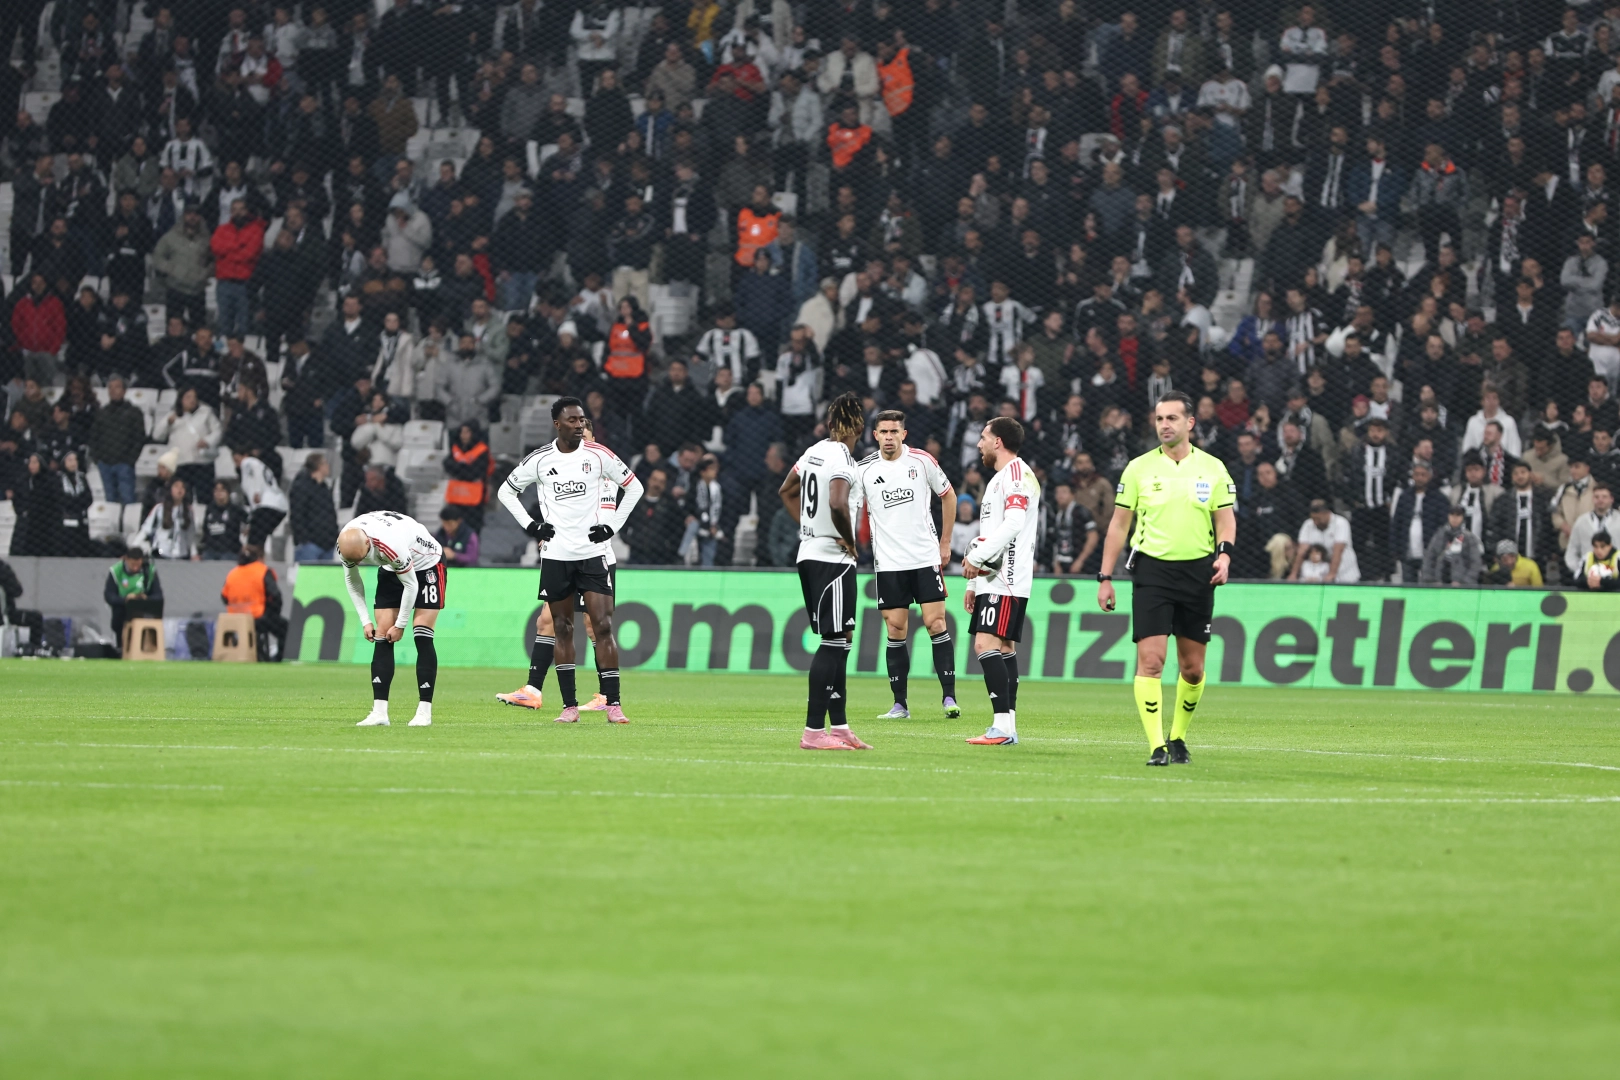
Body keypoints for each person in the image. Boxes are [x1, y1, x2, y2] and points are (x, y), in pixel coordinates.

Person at [1097, 391, 1237, 766]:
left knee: (1193, 668)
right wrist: (1105, 576)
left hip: (1198, 572)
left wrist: (1224, 556)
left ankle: (1178, 737)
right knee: (1152, 662)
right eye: (1159, 419)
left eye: (1172, 418)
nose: (1164, 425)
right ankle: (1156, 745)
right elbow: (1119, 525)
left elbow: (1225, 520)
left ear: (1190, 423)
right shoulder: (1138, 468)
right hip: (1152, 571)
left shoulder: (1213, 468)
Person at [495, 398, 645, 724]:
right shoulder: (539, 460)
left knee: (602, 626)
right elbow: (505, 492)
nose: (579, 425)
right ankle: (569, 707)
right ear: (557, 424)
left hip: (593, 555)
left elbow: (634, 487)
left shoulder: (599, 455)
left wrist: (611, 527)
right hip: (556, 556)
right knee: (561, 628)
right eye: (573, 420)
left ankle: (613, 704)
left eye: (582, 420)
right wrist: (532, 526)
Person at [850, 410, 958, 720]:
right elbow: (849, 507)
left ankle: (949, 698)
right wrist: (848, 542)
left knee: (936, 623)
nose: (888, 437)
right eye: (883, 432)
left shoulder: (922, 462)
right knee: (896, 628)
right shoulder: (863, 469)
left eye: (894, 432)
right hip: (889, 562)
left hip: (924, 557)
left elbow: (948, 496)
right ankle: (900, 705)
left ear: (903, 434)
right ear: (875, 435)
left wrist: (945, 542)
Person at [776, 393, 870, 751]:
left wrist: (809, 528)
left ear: (829, 424)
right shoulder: (843, 458)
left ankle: (840, 727)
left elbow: (786, 490)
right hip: (833, 558)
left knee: (841, 639)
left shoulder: (813, 451)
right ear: (859, 427)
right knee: (833, 642)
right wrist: (848, 540)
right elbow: (837, 501)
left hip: (810, 552)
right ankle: (814, 731)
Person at [961, 416, 1043, 748]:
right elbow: (990, 532)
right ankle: (1007, 727)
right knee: (1005, 648)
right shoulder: (1001, 477)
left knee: (985, 645)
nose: (978, 443)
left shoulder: (1016, 476)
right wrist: (974, 585)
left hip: (1006, 579)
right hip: (994, 579)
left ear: (998, 441)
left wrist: (976, 559)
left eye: (983, 437)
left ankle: (1001, 726)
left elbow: (1013, 523)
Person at [339, 510, 447, 728]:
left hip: (426, 563)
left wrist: (400, 625)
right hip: (391, 566)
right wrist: (365, 620)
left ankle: (424, 712)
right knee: (382, 634)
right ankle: (379, 713)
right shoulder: (346, 543)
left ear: (368, 544)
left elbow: (411, 585)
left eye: (362, 558)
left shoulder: (390, 544)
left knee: (422, 633)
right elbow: (352, 580)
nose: (359, 562)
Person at [221, 544, 287, 661]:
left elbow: (224, 597)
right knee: (286, 628)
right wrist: (273, 612)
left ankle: (258, 653)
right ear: (259, 558)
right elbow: (275, 595)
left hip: (235, 618)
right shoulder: (263, 570)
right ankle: (278, 659)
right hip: (258, 617)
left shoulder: (232, 573)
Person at [104, 545, 163, 649]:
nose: (135, 568)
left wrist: (145, 598)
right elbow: (109, 595)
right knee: (119, 614)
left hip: (143, 607)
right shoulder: (116, 571)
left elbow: (158, 595)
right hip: (123, 607)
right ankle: (121, 647)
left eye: (138, 565)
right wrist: (126, 599)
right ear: (126, 559)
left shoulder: (149, 571)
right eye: (132, 564)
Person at [289, 453, 338, 562]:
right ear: (318, 466)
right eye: (325, 463)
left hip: (327, 543)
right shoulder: (301, 486)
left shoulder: (324, 488)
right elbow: (297, 514)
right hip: (310, 544)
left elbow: (331, 514)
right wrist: (304, 539)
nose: (328, 466)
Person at [235, 450, 288, 548]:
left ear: (245, 455)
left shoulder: (248, 462)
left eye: (237, 460)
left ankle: (256, 556)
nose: (237, 464)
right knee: (258, 541)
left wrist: (257, 491)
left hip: (266, 505)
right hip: (279, 506)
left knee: (253, 544)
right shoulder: (262, 466)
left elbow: (257, 473)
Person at [1420, 505, 1484, 585]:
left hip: (1461, 584)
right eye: (1452, 515)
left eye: (1458, 515)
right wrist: (1431, 580)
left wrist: (1464, 582)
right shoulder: (1439, 536)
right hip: (1439, 582)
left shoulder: (1469, 538)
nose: (1455, 518)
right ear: (1448, 516)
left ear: (1463, 518)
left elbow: (1475, 563)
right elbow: (1429, 558)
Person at [138, 477, 196, 559]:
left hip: (181, 554)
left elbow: (190, 535)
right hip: (161, 552)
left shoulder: (188, 510)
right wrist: (134, 547)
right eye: (176, 486)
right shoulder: (159, 508)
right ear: (170, 489)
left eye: (182, 487)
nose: (180, 490)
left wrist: (194, 553)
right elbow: (145, 530)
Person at [199, 480, 246, 561]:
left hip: (229, 551)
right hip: (210, 550)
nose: (219, 493)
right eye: (216, 490)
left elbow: (249, 520)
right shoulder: (210, 509)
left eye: (222, 490)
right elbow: (205, 528)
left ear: (228, 493)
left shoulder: (235, 509)